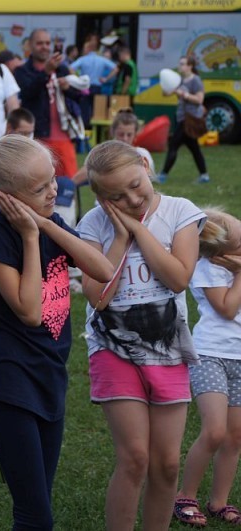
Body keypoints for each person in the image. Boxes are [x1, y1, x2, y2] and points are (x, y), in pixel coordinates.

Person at [0, 135, 113, 530]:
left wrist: (44, 224)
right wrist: (33, 236)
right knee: (34, 516)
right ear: (7, 196)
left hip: (49, 376)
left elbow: (103, 271)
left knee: (39, 505)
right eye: (40, 188)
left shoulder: (50, 221)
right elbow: (30, 312)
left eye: (53, 179)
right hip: (10, 384)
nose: (54, 189)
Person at [77, 140, 205, 531]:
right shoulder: (92, 226)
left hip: (168, 347)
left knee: (166, 464)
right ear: (99, 197)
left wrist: (137, 229)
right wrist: (119, 238)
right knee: (135, 457)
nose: (132, 198)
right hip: (113, 347)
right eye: (116, 196)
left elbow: (178, 278)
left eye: (136, 184)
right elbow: (99, 296)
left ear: (146, 167)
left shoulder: (179, 211)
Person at [173, 207, 241, 527]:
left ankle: (218, 502)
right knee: (215, 430)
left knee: (235, 436)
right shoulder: (207, 268)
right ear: (223, 246)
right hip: (211, 354)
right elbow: (227, 309)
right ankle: (185, 495)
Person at [14, 28, 83, 180]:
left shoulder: (62, 68)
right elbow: (27, 93)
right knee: (38, 184)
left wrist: (68, 88)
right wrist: (45, 72)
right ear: (30, 46)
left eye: (47, 43)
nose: (45, 47)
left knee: (69, 187)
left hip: (65, 137)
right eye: (39, 43)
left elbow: (78, 98)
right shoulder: (21, 71)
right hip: (37, 137)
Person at [159, 55, 210, 184]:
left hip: (190, 120)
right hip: (182, 118)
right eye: (180, 63)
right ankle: (204, 176)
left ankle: (163, 175)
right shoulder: (180, 80)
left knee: (173, 145)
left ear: (190, 66)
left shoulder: (196, 80)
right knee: (194, 148)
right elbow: (166, 93)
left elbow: (199, 100)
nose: (179, 66)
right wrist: (167, 86)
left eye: (182, 64)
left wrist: (184, 95)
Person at [70, 39, 117, 128]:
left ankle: (86, 130)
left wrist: (78, 79)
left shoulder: (82, 59)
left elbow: (71, 68)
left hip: (85, 88)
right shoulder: (102, 59)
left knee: (84, 109)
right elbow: (115, 68)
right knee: (97, 111)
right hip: (97, 87)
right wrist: (106, 79)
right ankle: (97, 129)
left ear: (88, 49)